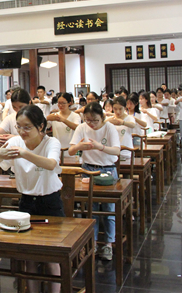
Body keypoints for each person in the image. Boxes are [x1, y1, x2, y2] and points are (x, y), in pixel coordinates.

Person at [0, 105, 63, 293]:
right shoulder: (16, 141)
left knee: (52, 257)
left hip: (50, 202)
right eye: (19, 127)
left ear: (41, 126)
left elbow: (51, 164)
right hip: (27, 202)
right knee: (29, 256)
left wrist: (24, 153)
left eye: (27, 127)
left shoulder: (51, 143)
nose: (22, 132)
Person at [69, 102, 121, 261]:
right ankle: (93, 242)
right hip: (88, 169)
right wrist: (79, 146)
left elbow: (116, 150)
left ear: (102, 117)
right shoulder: (81, 127)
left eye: (95, 120)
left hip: (107, 170)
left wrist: (100, 147)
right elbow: (71, 151)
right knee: (91, 209)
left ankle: (108, 244)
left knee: (108, 209)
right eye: (87, 120)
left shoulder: (109, 128)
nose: (91, 123)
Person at [47, 92, 81, 159]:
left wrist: (64, 120)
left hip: (71, 150)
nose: (60, 105)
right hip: (57, 151)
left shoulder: (75, 116)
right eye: (59, 103)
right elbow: (42, 127)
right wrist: (47, 118)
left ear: (69, 103)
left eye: (63, 103)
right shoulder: (54, 116)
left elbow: (77, 128)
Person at [106, 96, 136, 161]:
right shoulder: (110, 119)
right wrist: (107, 121)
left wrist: (123, 122)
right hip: (112, 154)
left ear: (125, 108)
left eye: (120, 109)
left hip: (126, 153)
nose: (118, 111)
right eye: (115, 109)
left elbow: (133, 125)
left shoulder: (129, 118)